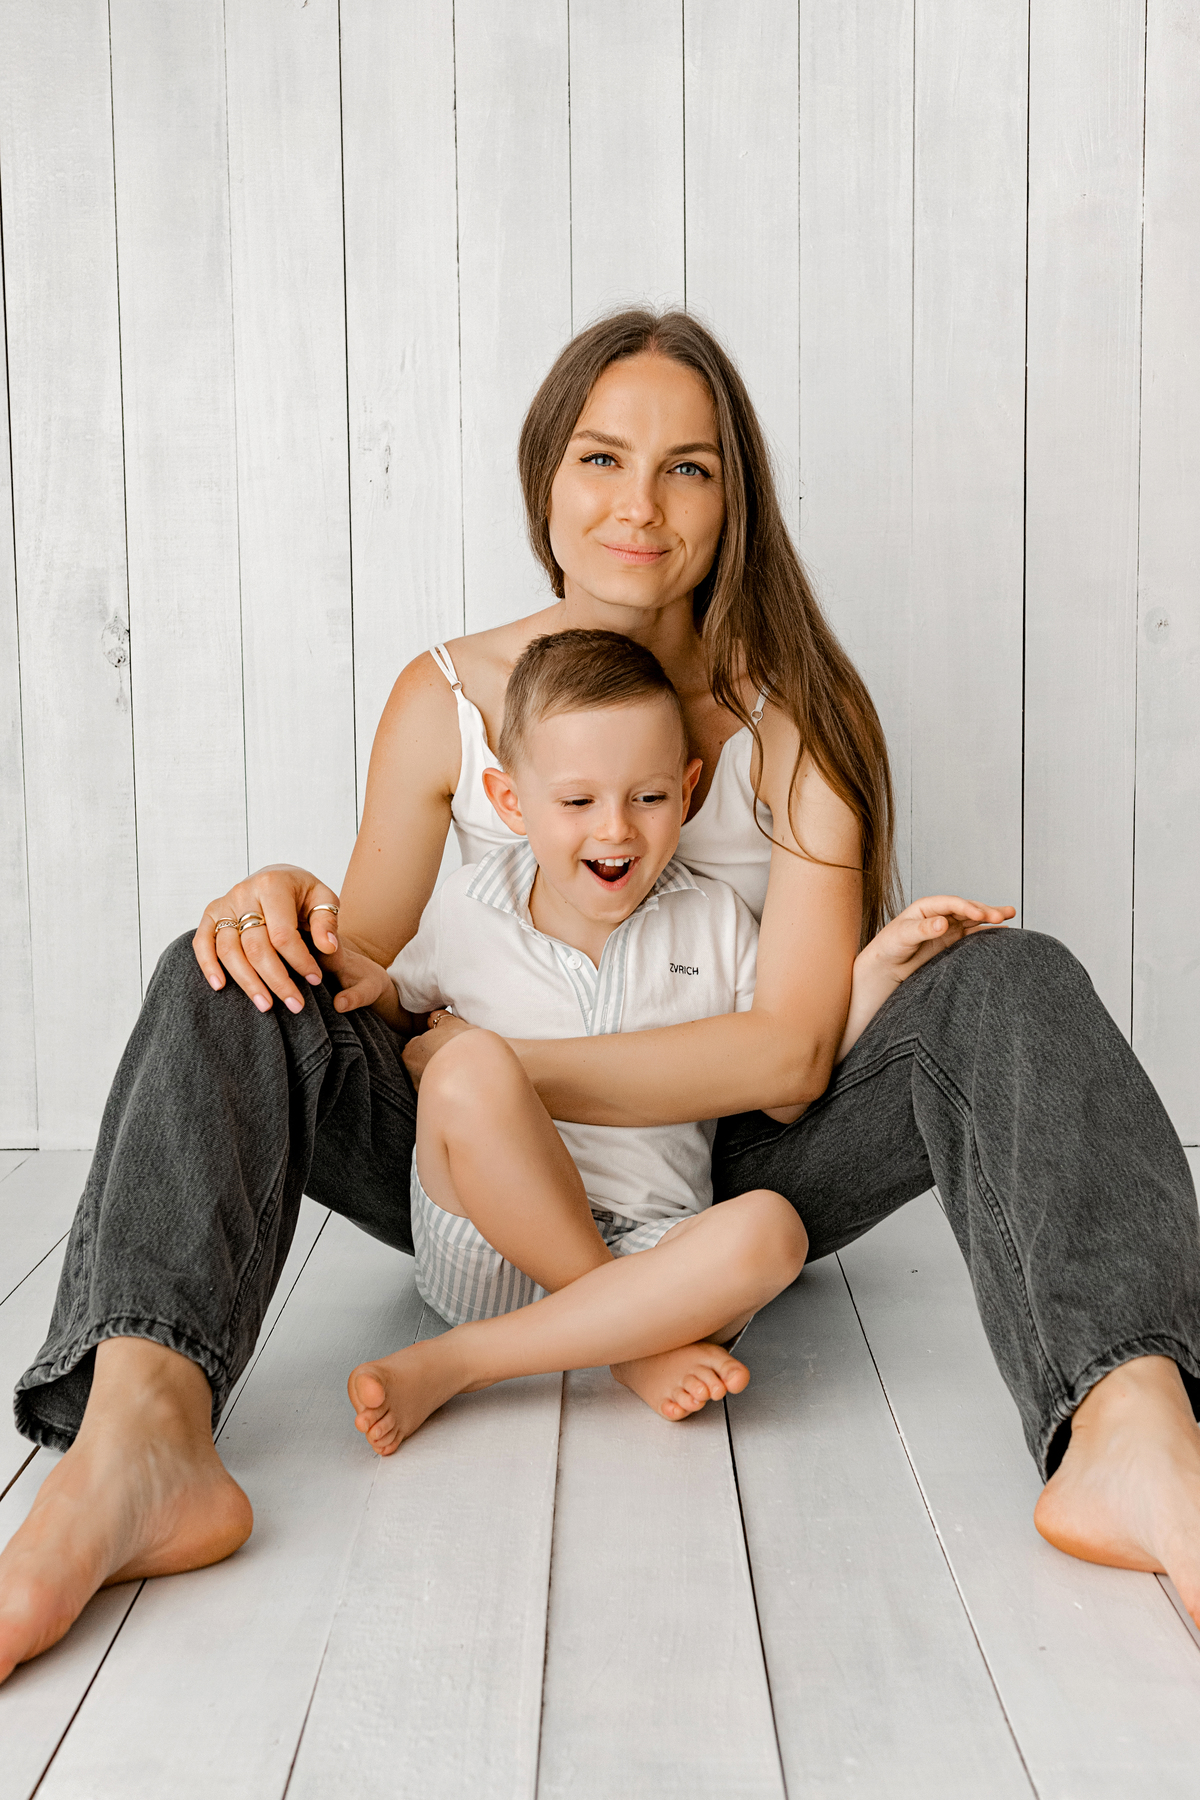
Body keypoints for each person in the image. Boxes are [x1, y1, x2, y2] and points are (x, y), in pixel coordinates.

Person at [1, 309, 1198, 1689]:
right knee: (221, 973)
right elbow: (360, 976)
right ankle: (141, 1437)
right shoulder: (445, 698)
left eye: (688, 468)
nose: (639, 503)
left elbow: (797, 1056)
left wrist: (498, 1060)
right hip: (468, 1164)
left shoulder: (796, 719)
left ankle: (1128, 1425)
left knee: (1013, 975)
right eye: (602, 458)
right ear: (544, 482)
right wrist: (276, 904)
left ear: (732, 503)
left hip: (731, 1150)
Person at [349, 626, 811, 1455]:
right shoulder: (468, 909)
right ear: (509, 801)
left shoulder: (713, 919)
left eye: (648, 797)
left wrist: (881, 969)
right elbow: (399, 1008)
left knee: (773, 1230)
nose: (617, 831)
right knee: (470, 1067)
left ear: (690, 787)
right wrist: (358, 982)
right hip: (487, 1247)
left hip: (657, 1253)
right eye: (577, 801)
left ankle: (465, 1363)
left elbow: (785, 1077)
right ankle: (627, 1341)